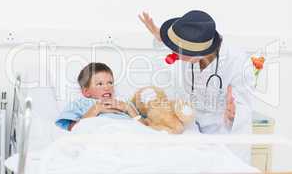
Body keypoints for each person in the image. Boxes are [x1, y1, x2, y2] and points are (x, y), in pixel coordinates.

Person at [139, 10, 255, 162]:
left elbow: (243, 110)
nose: (174, 55)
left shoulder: (238, 63)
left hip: (226, 139)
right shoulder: (193, 50)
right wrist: (160, 37)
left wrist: (233, 115)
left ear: (198, 52)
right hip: (195, 132)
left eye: (179, 51)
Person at [55, 62, 143, 131]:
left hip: (128, 133)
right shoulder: (81, 103)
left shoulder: (124, 102)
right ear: (86, 92)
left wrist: (128, 109)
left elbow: (145, 128)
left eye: (110, 83)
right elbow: (73, 129)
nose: (107, 87)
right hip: (99, 135)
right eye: (100, 84)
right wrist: (96, 109)